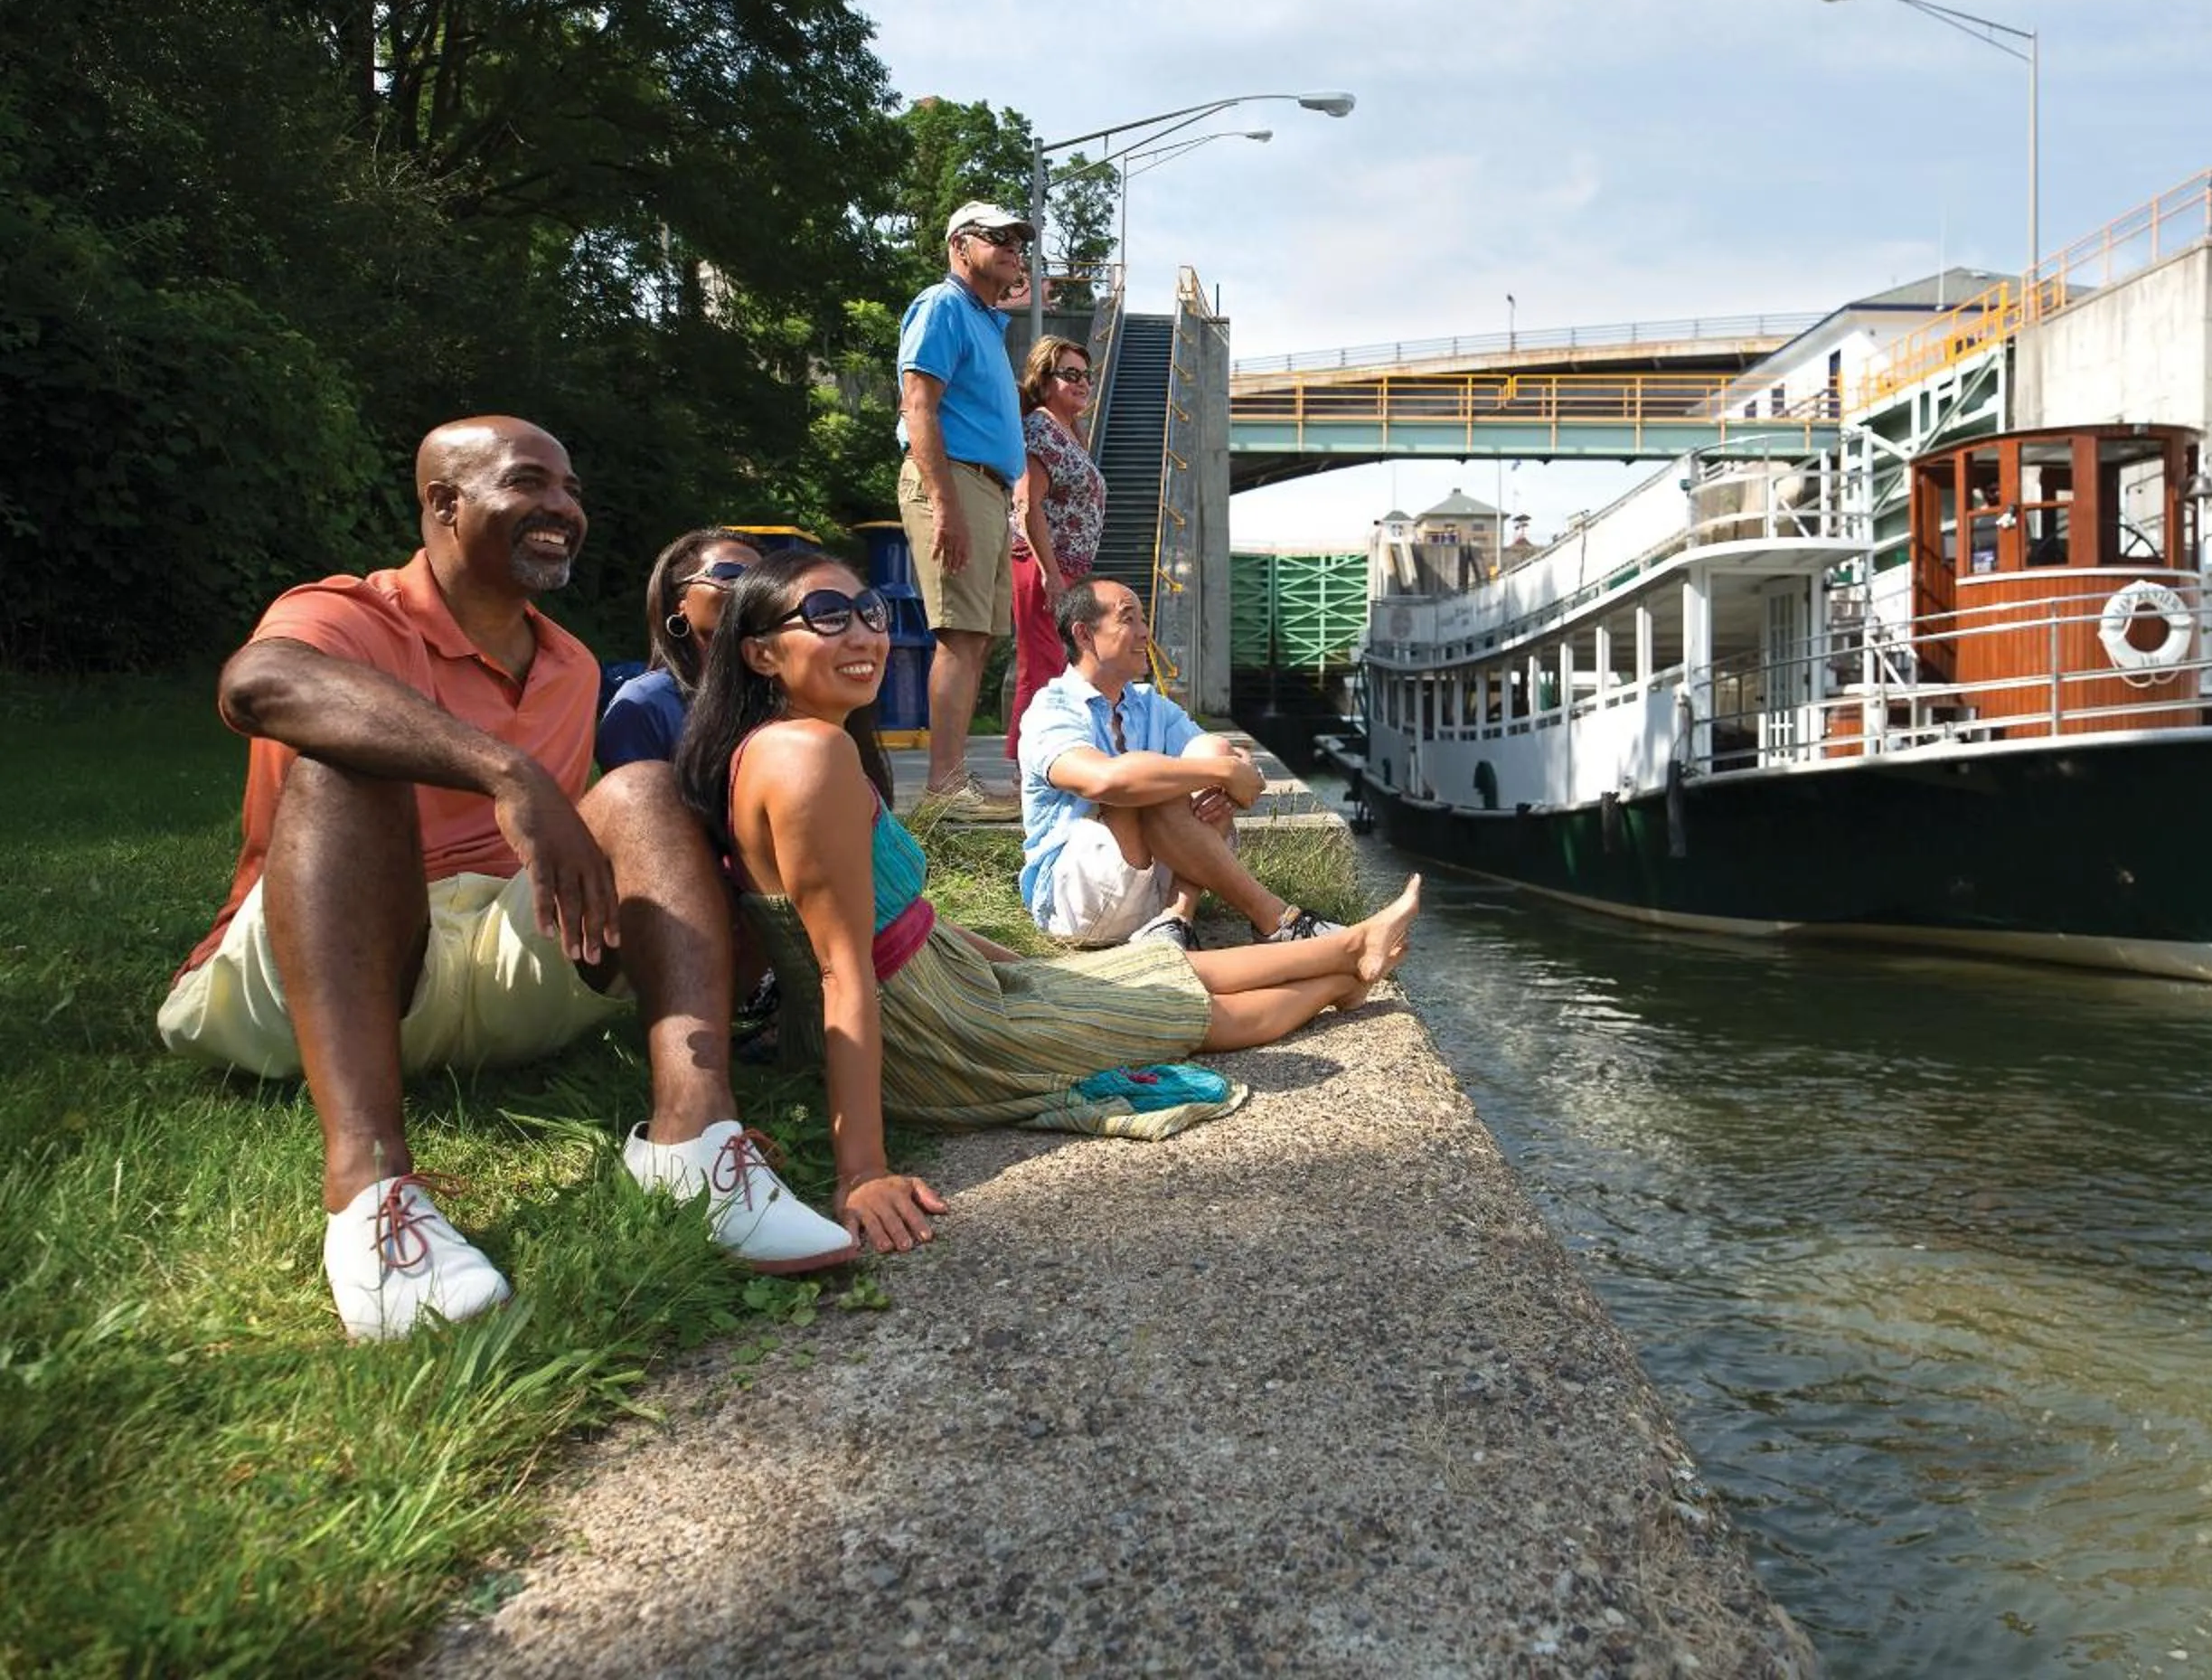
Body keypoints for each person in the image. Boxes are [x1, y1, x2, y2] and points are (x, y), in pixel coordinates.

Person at [156, 419, 856, 1342]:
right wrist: (506, 770)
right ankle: (371, 1196)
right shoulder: (350, 612)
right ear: (444, 502)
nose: (563, 507)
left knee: (643, 788)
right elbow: (257, 681)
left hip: (494, 955)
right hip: (319, 975)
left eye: (571, 490)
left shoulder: (569, 663)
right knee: (342, 766)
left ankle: (695, 1143)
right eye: (530, 482)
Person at [673, 550, 1421, 1257]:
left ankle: (1347, 949)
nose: (863, 633)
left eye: (869, 611)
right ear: (760, 653)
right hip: (927, 1028)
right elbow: (843, 969)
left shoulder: (786, 743)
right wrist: (862, 1171)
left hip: (941, 978)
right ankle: (1340, 976)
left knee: (1124, 976)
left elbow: (889, 917)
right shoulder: (809, 755)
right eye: (827, 616)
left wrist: (1008, 964)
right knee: (1164, 1016)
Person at [1016, 580, 1341, 952]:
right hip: (1078, 901)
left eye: (1144, 619)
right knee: (1148, 782)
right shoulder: (1051, 709)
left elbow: (1225, 757)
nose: (1145, 632)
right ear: (1084, 635)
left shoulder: (1147, 703)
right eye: (1128, 619)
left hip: (1153, 889)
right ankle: (1275, 918)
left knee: (1210, 750)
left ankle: (1176, 919)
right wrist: (1223, 774)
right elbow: (1104, 782)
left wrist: (1231, 773)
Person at [896, 199, 1033, 819]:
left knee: (977, 637)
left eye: (1017, 242)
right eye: (997, 237)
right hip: (955, 480)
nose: (1012, 249)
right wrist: (945, 504)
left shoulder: (983, 320)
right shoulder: (943, 305)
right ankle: (944, 787)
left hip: (984, 488)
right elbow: (919, 406)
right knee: (959, 634)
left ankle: (953, 780)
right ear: (959, 245)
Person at [1004, 334, 1106, 760]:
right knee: (1042, 663)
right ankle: (1027, 763)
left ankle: (1048, 755)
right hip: (1041, 564)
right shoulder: (1042, 428)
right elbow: (1028, 505)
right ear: (1045, 380)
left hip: (1065, 568)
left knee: (1057, 665)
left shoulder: (1070, 430)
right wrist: (1050, 574)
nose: (1082, 383)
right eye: (1070, 374)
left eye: (1086, 375)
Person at [597, 529, 761, 770]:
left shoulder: (776, 700)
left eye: (759, 578)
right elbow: (631, 792)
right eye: (729, 573)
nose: (748, 588)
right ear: (679, 601)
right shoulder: (647, 703)